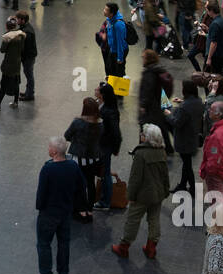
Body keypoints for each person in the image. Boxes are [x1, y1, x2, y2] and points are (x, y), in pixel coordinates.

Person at [32, 136, 86, 274]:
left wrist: (40, 206)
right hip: (65, 212)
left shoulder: (48, 169)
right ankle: (64, 273)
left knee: (44, 244)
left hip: (49, 213)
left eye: (49, 147)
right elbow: (81, 186)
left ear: (54, 151)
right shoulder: (73, 167)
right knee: (63, 243)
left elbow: (41, 192)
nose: (48, 149)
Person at [111, 123, 170, 259]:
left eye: (143, 134)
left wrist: (130, 195)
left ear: (147, 138)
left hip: (142, 196)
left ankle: (123, 247)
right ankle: (151, 248)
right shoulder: (162, 151)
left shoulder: (141, 153)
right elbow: (165, 174)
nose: (141, 135)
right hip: (158, 193)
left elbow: (135, 178)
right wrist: (166, 190)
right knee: (154, 219)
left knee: (133, 220)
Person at [64, 97, 103, 221]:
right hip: (93, 159)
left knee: (78, 185)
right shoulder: (100, 124)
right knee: (90, 183)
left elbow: (67, 135)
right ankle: (89, 210)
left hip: (78, 158)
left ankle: (80, 210)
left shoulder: (78, 122)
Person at [168, 79, 205, 197]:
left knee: (187, 164)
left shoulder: (184, 108)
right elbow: (191, 109)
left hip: (183, 139)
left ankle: (193, 188)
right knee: (186, 162)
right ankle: (183, 185)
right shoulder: (199, 102)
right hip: (192, 137)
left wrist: (168, 114)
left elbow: (177, 122)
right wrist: (182, 102)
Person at [137, 48, 174, 153]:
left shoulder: (149, 73)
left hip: (150, 106)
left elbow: (147, 90)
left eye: (143, 57)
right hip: (158, 103)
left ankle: (141, 149)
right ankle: (169, 147)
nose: (142, 59)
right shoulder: (158, 70)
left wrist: (143, 105)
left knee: (144, 127)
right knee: (161, 125)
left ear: (148, 59)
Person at [199, 101, 223, 204]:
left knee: (217, 202)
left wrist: (209, 172)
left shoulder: (218, 135)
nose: (209, 111)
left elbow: (215, 159)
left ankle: (218, 219)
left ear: (218, 114)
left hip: (216, 174)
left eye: (211, 109)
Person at [93, 82, 123, 211]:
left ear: (103, 95)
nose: (95, 90)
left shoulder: (108, 112)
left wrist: (115, 148)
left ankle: (105, 202)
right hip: (103, 145)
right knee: (104, 171)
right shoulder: (104, 106)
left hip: (105, 146)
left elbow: (116, 133)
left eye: (98, 90)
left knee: (105, 173)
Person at [0, 16, 25, 111]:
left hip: (8, 64)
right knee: (16, 82)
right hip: (17, 63)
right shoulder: (21, 35)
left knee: (3, 84)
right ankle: (16, 102)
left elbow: (2, 50)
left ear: (6, 26)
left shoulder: (7, 37)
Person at [96, 2, 128, 90]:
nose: (104, 10)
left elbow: (120, 43)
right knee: (111, 69)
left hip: (119, 50)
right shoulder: (109, 19)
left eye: (106, 10)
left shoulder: (118, 25)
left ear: (112, 13)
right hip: (112, 49)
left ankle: (121, 92)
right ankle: (113, 88)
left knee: (120, 71)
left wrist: (120, 58)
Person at [15, 10, 38, 102]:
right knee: (28, 74)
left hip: (28, 57)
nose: (16, 21)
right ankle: (28, 91)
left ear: (23, 20)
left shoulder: (27, 32)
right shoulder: (25, 27)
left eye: (18, 19)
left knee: (29, 75)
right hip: (29, 56)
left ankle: (30, 95)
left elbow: (25, 48)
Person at [203, 0, 223, 76]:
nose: (207, 12)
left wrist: (209, 58)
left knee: (209, 77)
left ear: (211, 11)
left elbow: (214, 43)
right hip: (221, 54)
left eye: (207, 10)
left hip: (215, 56)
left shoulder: (215, 24)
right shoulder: (222, 21)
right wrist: (208, 29)